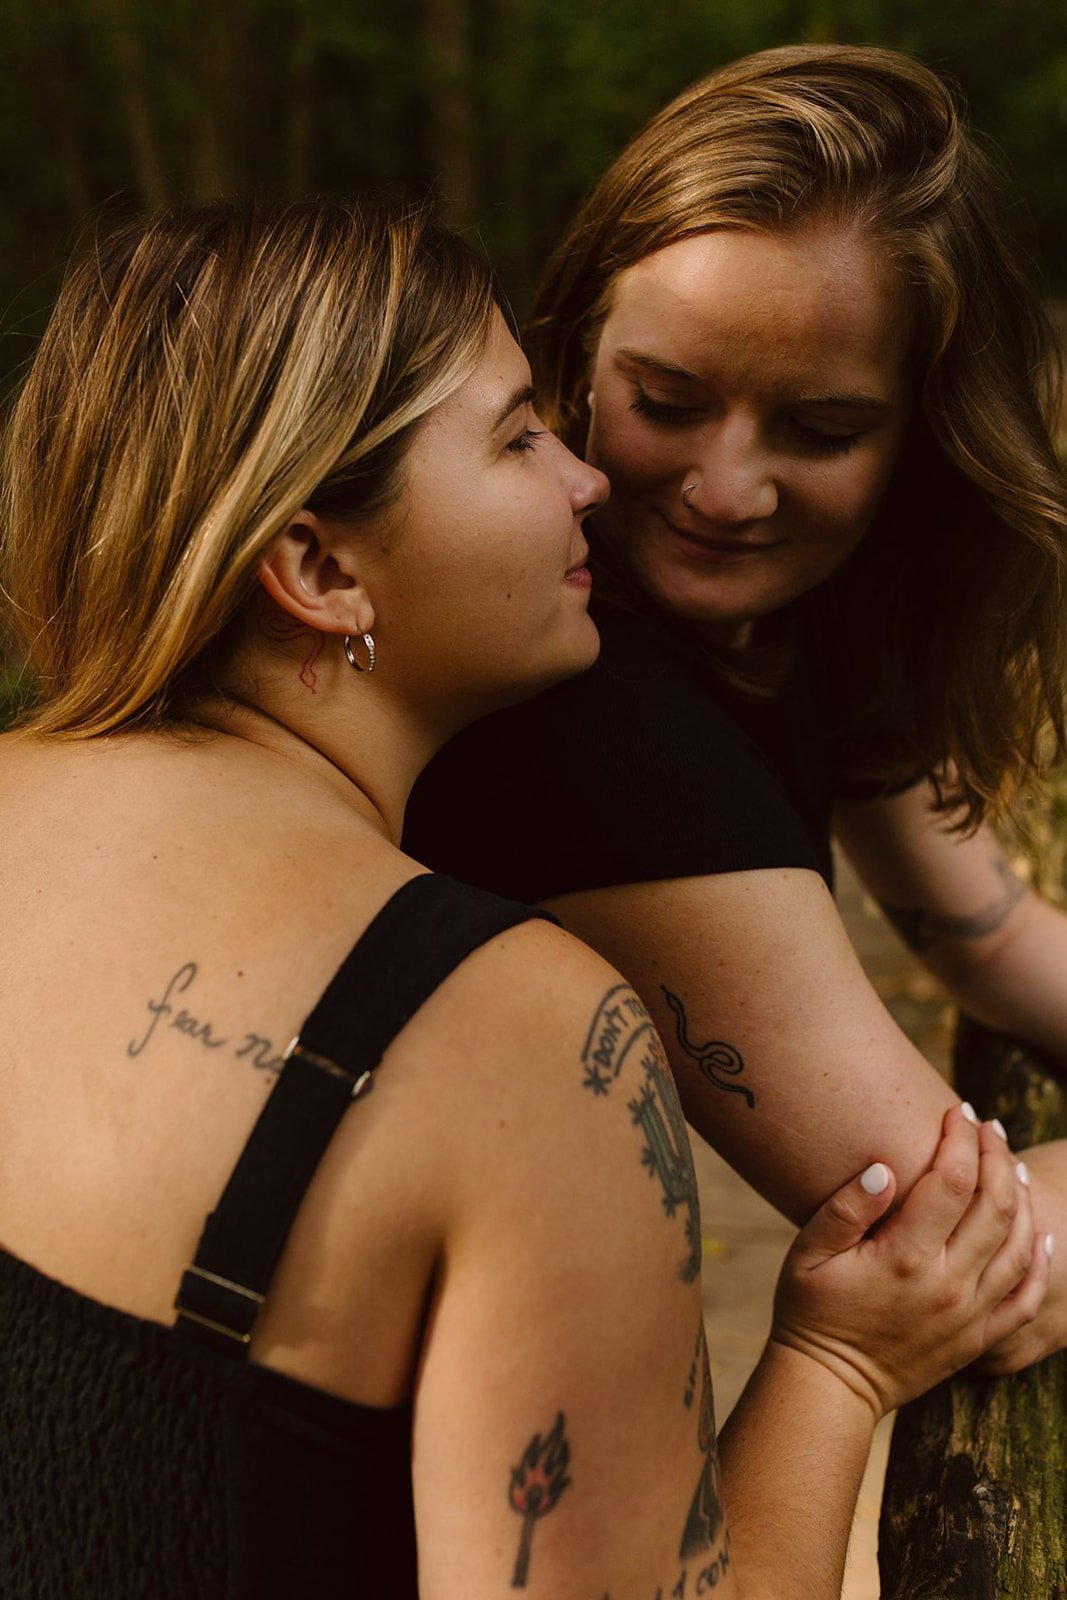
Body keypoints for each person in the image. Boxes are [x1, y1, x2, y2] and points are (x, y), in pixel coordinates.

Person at [0, 196, 1047, 1600]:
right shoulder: (516, 1041)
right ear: (317, 567)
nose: (588, 484)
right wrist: (837, 1362)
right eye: (516, 438)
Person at [405, 42, 1067, 1376]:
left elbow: (983, 932)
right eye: (668, 401)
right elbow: (960, 1260)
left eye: (821, 431)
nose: (726, 488)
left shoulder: (795, 606)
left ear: (923, 432)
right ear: (581, 347)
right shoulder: (581, 701)